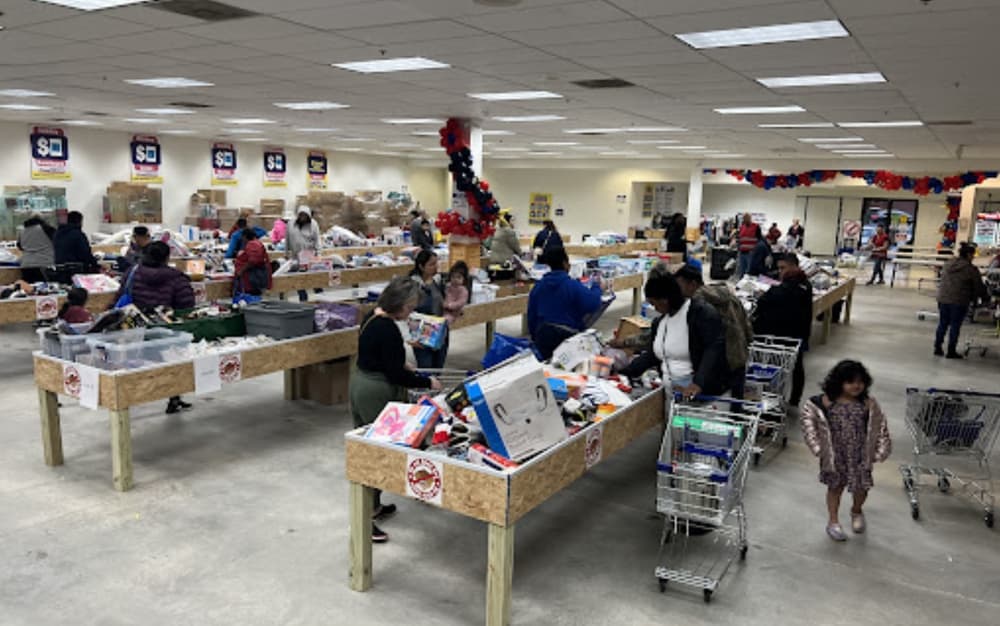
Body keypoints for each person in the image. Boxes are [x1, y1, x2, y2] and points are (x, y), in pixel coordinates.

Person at [350, 276, 443, 543]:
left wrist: (402, 365)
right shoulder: (388, 330)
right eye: (410, 307)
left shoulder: (372, 316)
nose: (411, 312)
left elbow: (376, 356)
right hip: (375, 390)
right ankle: (365, 518)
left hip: (361, 382)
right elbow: (394, 374)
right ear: (399, 304)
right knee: (378, 452)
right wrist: (427, 381)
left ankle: (374, 506)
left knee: (371, 447)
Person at [800, 360, 891, 542]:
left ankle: (856, 510)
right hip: (836, 455)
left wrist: (881, 448)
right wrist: (818, 448)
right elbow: (808, 424)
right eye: (850, 382)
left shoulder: (868, 405)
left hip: (860, 455)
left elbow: (879, 426)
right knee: (835, 488)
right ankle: (833, 521)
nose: (856, 386)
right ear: (838, 383)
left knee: (861, 488)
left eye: (860, 381)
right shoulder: (825, 403)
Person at [116, 241, 196, 414]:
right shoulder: (176, 277)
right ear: (167, 257)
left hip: (135, 327)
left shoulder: (132, 272)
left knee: (133, 364)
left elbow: (121, 294)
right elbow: (187, 305)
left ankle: (126, 400)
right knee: (172, 363)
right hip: (165, 329)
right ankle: (174, 398)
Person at [619, 274, 729, 397]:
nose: (654, 308)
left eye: (654, 304)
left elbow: (713, 349)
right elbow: (652, 355)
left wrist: (698, 383)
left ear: (664, 300)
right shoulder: (660, 322)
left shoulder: (701, 314)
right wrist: (625, 372)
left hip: (697, 392)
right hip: (671, 391)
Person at [674, 261, 752, 400]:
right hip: (738, 359)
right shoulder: (729, 295)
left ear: (692, 284)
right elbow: (747, 329)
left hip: (717, 367)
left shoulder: (697, 306)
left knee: (713, 412)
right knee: (736, 409)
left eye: (679, 286)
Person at [752, 253, 813, 407]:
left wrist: (764, 295)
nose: (780, 271)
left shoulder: (795, 286)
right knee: (796, 366)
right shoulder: (803, 283)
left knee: (783, 367)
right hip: (796, 333)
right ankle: (793, 399)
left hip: (786, 335)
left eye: (783, 268)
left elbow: (769, 300)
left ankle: (777, 400)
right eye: (779, 268)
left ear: (794, 266)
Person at [527, 246, 604, 360]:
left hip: (543, 340)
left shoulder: (538, 287)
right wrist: (597, 287)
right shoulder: (572, 286)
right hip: (568, 341)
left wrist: (536, 337)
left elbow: (531, 317)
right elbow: (593, 304)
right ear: (565, 264)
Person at [935, 242, 987, 358]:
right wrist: (984, 297)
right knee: (955, 325)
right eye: (973, 255)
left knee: (943, 323)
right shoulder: (970, 269)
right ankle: (951, 351)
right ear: (968, 255)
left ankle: (937, 348)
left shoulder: (949, 263)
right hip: (959, 301)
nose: (973, 257)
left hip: (943, 298)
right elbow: (978, 286)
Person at [409, 250, 449, 368]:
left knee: (439, 364)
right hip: (422, 328)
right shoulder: (413, 283)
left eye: (436, 263)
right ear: (421, 266)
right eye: (431, 264)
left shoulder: (438, 280)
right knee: (425, 365)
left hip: (440, 327)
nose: (436, 267)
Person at [287, 206, 323, 302]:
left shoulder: (313, 224)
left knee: (313, 278)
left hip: (309, 255)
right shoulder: (291, 224)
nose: (303, 218)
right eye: (301, 215)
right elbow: (287, 239)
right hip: (296, 256)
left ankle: (320, 296)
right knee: (298, 278)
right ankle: (303, 298)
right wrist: (286, 253)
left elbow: (317, 240)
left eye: (305, 216)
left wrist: (318, 253)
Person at [17, 215, 55, 283]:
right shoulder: (45, 228)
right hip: (44, 264)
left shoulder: (22, 231)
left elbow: (20, 246)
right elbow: (57, 240)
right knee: (46, 290)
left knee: (30, 290)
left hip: (26, 265)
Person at [234, 229, 272, 296]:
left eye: (243, 237)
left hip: (252, 279)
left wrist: (241, 270)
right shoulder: (256, 243)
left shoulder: (252, 244)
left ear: (245, 236)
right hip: (254, 278)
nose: (242, 239)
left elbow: (253, 261)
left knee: (252, 297)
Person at [734, 213, 761, 279]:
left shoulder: (756, 226)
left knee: (749, 272)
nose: (745, 219)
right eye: (744, 218)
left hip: (751, 253)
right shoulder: (742, 227)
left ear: (750, 218)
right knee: (741, 271)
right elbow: (740, 238)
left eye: (746, 218)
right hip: (742, 253)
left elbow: (760, 239)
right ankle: (741, 285)